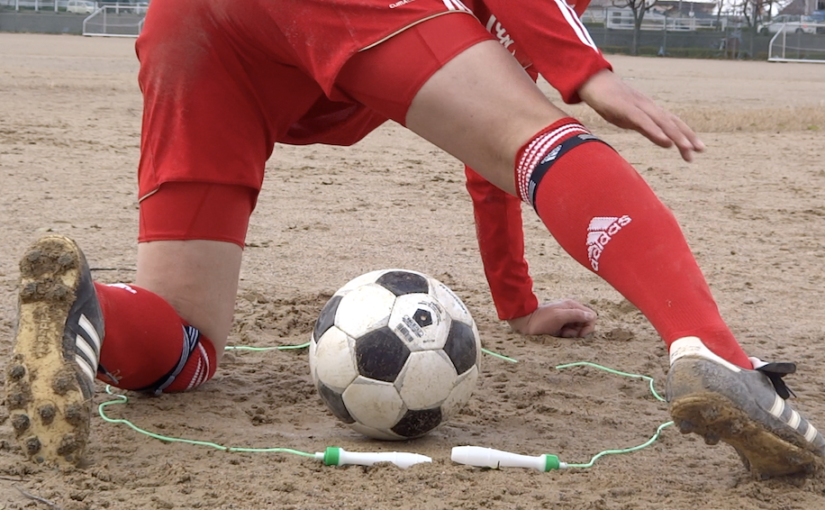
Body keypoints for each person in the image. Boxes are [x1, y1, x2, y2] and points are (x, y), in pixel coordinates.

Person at [6, 0, 823, 479]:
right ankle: (715, 351)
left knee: (187, 341)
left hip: (190, 21)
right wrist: (585, 69)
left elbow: (485, 170)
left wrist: (519, 303)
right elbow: (514, 144)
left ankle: (93, 310)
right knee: (543, 139)